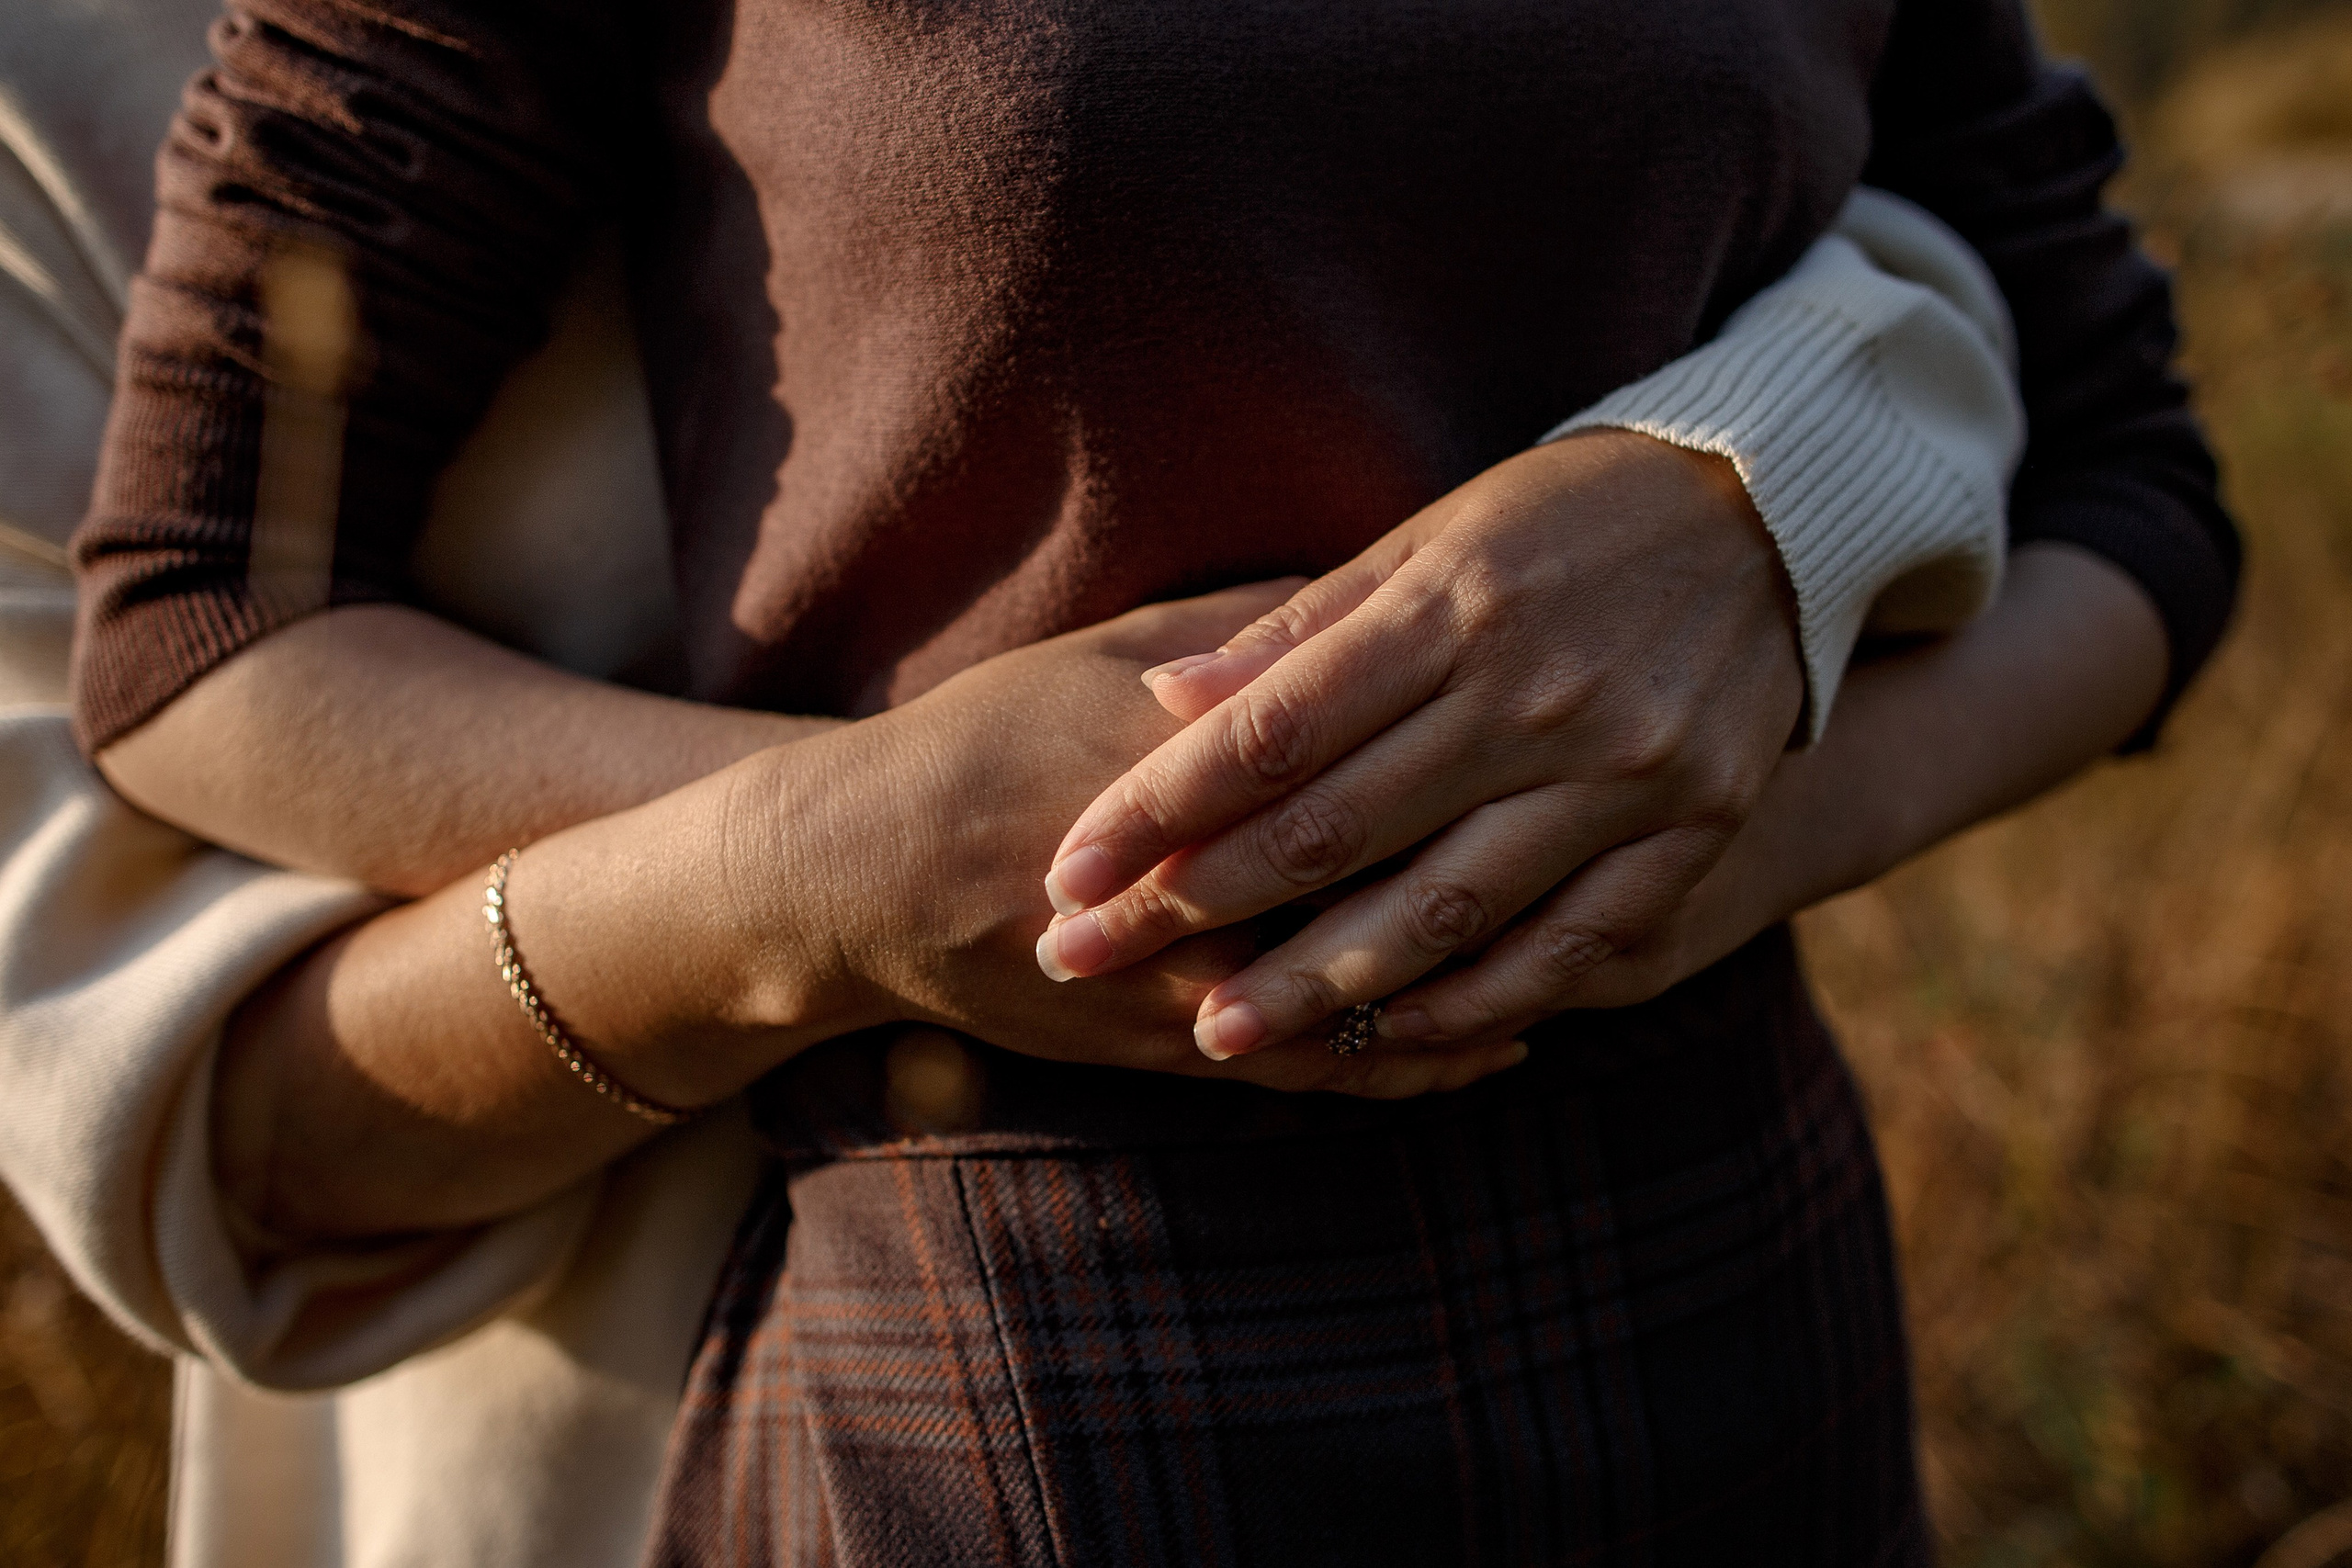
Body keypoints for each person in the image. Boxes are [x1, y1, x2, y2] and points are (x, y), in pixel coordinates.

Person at [18, 0, 2234, 1563]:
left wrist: (1723, 815)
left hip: (1718, 1263)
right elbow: (205, 625)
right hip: (1022, 1340)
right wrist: (850, 847)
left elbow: (2129, 481)